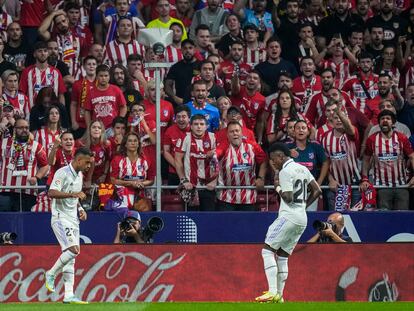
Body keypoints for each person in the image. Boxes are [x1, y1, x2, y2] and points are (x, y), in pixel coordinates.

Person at [255, 142, 321, 303]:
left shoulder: (285, 171)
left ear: (280, 156)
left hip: (288, 216)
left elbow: (289, 197)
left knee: (267, 251)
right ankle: (280, 296)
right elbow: (318, 190)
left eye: (273, 160)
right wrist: (304, 205)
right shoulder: (303, 168)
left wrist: (277, 187)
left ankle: (272, 292)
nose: (272, 163)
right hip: (301, 218)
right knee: (283, 256)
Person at [44, 147, 93, 304]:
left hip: (73, 219)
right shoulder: (62, 172)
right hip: (60, 217)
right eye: (87, 163)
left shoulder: (79, 175)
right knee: (73, 251)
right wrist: (73, 195)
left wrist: (80, 209)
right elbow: (51, 192)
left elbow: (75, 197)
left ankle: (69, 294)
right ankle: (51, 273)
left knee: (70, 258)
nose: (88, 166)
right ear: (78, 160)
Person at [361, 110, 414, 210]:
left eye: (388, 119)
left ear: (393, 123)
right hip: (381, 187)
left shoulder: (401, 138)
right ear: (379, 122)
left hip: (401, 186)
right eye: (382, 119)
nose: (385, 120)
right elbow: (366, 160)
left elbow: (412, 157)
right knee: (384, 217)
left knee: (402, 218)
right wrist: (365, 178)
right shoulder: (372, 139)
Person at [214, 121, 267, 211]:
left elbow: (264, 161)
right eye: (231, 131)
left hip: (248, 197)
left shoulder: (252, 146)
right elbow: (215, 158)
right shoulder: (223, 146)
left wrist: (261, 178)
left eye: (237, 131)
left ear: (242, 133)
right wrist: (212, 155)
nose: (235, 133)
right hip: (226, 197)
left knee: (247, 225)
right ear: (227, 135)